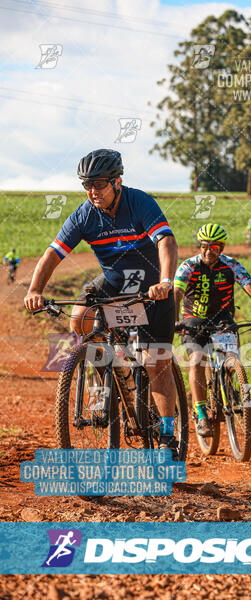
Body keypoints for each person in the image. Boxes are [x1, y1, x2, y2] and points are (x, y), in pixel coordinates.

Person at [24, 149, 179, 454]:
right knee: (80, 319)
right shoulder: (84, 215)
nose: (92, 191)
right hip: (114, 282)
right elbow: (52, 254)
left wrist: (166, 281)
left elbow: (167, 241)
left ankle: (168, 433)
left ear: (117, 181)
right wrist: (34, 290)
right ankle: (103, 380)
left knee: (155, 362)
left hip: (152, 287)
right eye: (86, 185)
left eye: (98, 183)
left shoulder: (139, 202)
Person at [174, 223, 251, 437]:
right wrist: (174, 320)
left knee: (231, 356)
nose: (208, 251)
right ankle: (201, 412)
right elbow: (176, 293)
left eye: (214, 247)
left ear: (221, 248)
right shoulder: (188, 266)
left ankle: (231, 382)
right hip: (193, 319)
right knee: (197, 361)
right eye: (204, 246)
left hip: (222, 318)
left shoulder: (231, 265)